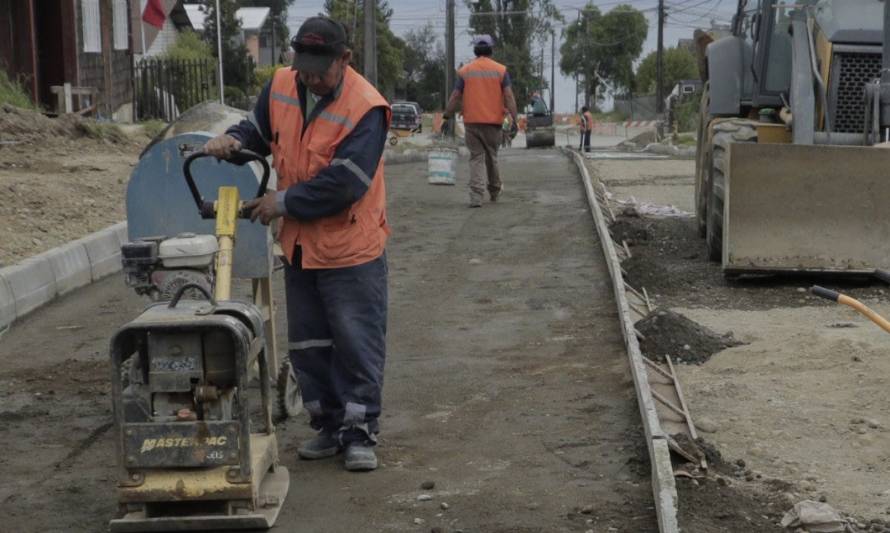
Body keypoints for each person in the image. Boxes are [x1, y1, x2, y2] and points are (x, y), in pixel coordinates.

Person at [203, 16, 390, 472]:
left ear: (344, 59)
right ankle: (328, 426)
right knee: (309, 342)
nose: (309, 76)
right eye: (303, 65)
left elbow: (344, 183)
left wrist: (281, 202)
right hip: (301, 246)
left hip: (350, 247)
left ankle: (359, 431)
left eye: (320, 69)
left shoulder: (366, 107)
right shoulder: (282, 85)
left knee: (354, 340)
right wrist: (235, 140)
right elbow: (259, 131)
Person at [443, 35, 518, 207]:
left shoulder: (465, 71)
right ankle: (494, 190)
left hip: (472, 123)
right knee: (492, 157)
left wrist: (447, 115)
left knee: (476, 157)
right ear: (491, 49)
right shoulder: (501, 70)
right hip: (493, 123)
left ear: (475, 50)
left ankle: (476, 197)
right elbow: (508, 96)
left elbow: (455, 96)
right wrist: (514, 118)